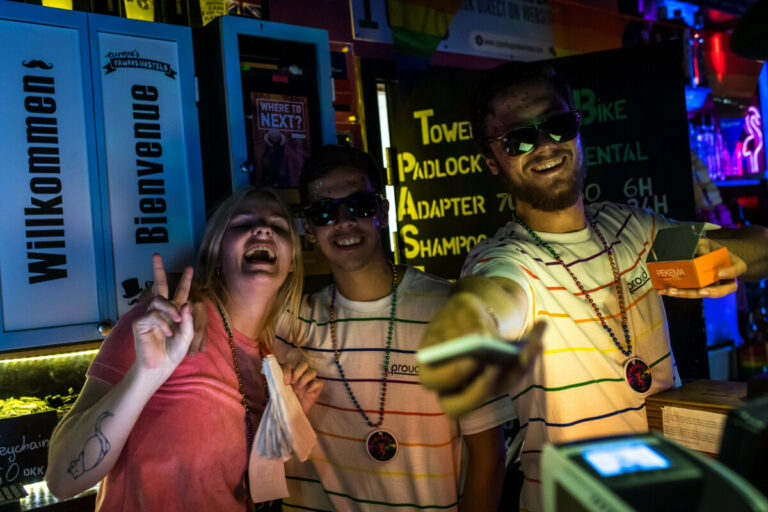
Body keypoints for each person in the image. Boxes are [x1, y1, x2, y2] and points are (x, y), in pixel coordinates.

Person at [418, 62, 768, 512]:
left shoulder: (634, 227)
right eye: (519, 139)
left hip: (675, 492)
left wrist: (732, 258)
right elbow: (495, 298)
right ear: (492, 161)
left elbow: (759, 244)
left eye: (557, 125)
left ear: (577, 129)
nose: (544, 145)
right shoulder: (504, 258)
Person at [45, 187, 323, 511]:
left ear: (292, 261)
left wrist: (286, 419)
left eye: (278, 227)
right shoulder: (166, 324)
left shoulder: (268, 363)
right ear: (217, 252)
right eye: (242, 223)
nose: (262, 229)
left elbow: (244, 485)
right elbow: (62, 480)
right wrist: (146, 375)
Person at [271, 145, 515, 511]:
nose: (344, 221)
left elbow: (489, 457)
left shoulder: (451, 310)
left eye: (360, 205)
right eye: (324, 212)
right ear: (308, 228)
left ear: (382, 212)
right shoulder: (293, 322)